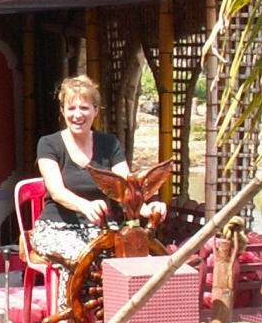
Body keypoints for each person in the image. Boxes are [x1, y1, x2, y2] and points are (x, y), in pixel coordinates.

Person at [31, 75, 164, 265]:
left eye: (84, 108)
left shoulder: (109, 144)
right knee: (82, 258)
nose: (78, 115)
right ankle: (71, 297)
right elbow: (57, 191)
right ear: (62, 111)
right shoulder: (49, 144)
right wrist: (85, 205)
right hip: (56, 229)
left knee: (132, 255)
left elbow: (126, 188)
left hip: (102, 229)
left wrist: (145, 208)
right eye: (71, 108)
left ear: (95, 111)